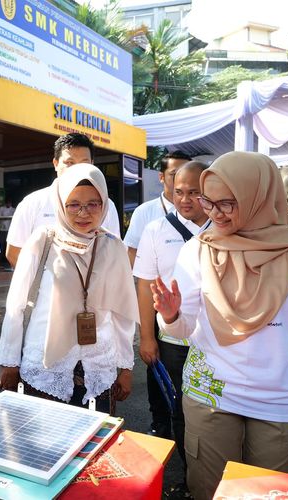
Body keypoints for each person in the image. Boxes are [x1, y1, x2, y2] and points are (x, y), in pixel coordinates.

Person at [152, 152, 288, 500]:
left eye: (228, 203)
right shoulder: (197, 250)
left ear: (259, 196)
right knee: (210, 492)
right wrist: (171, 316)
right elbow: (182, 332)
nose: (215, 213)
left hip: (280, 401)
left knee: (272, 493)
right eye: (208, 201)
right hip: (210, 397)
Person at [0, 164, 139, 415]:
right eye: (73, 204)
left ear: (104, 204)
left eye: (93, 204)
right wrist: (10, 361)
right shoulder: (43, 240)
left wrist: (126, 368)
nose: (83, 213)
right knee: (44, 445)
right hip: (46, 365)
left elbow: (122, 312)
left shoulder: (113, 247)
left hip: (97, 363)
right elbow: (16, 305)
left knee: (93, 445)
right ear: (60, 204)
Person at [132, 161, 209, 473]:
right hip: (173, 340)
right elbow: (144, 286)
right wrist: (147, 338)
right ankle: (191, 473)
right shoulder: (155, 229)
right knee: (179, 407)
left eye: (194, 192)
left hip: (216, 341)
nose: (185, 199)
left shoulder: (224, 227)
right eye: (179, 192)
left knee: (214, 409)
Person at [124, 149, 192, 439]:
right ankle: (160, 424)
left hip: (196, 317)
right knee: (157, 370)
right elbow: (134, 260)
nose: (182, 180)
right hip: (156, 305)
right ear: (163, 177)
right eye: (175, 174)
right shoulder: (146, 213)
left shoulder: (211, 214)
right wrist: (146, 329)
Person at [5, 133, 121, 268]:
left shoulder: (107, 205)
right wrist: (47, 282)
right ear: (55, 164)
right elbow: (14, 252)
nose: (77, 169)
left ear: (92, 164)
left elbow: (113, 251)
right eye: (69, 163)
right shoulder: (32, 203)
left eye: (84, 163)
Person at [0, 199, 15, 265]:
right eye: (7, 203)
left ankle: (7, 259)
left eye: (9, 203)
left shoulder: (13, 209)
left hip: (10, 229)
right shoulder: (1, 209)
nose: (8, 204)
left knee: (8, 244)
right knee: (1, 244)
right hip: (2, 229)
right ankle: (0, 259)